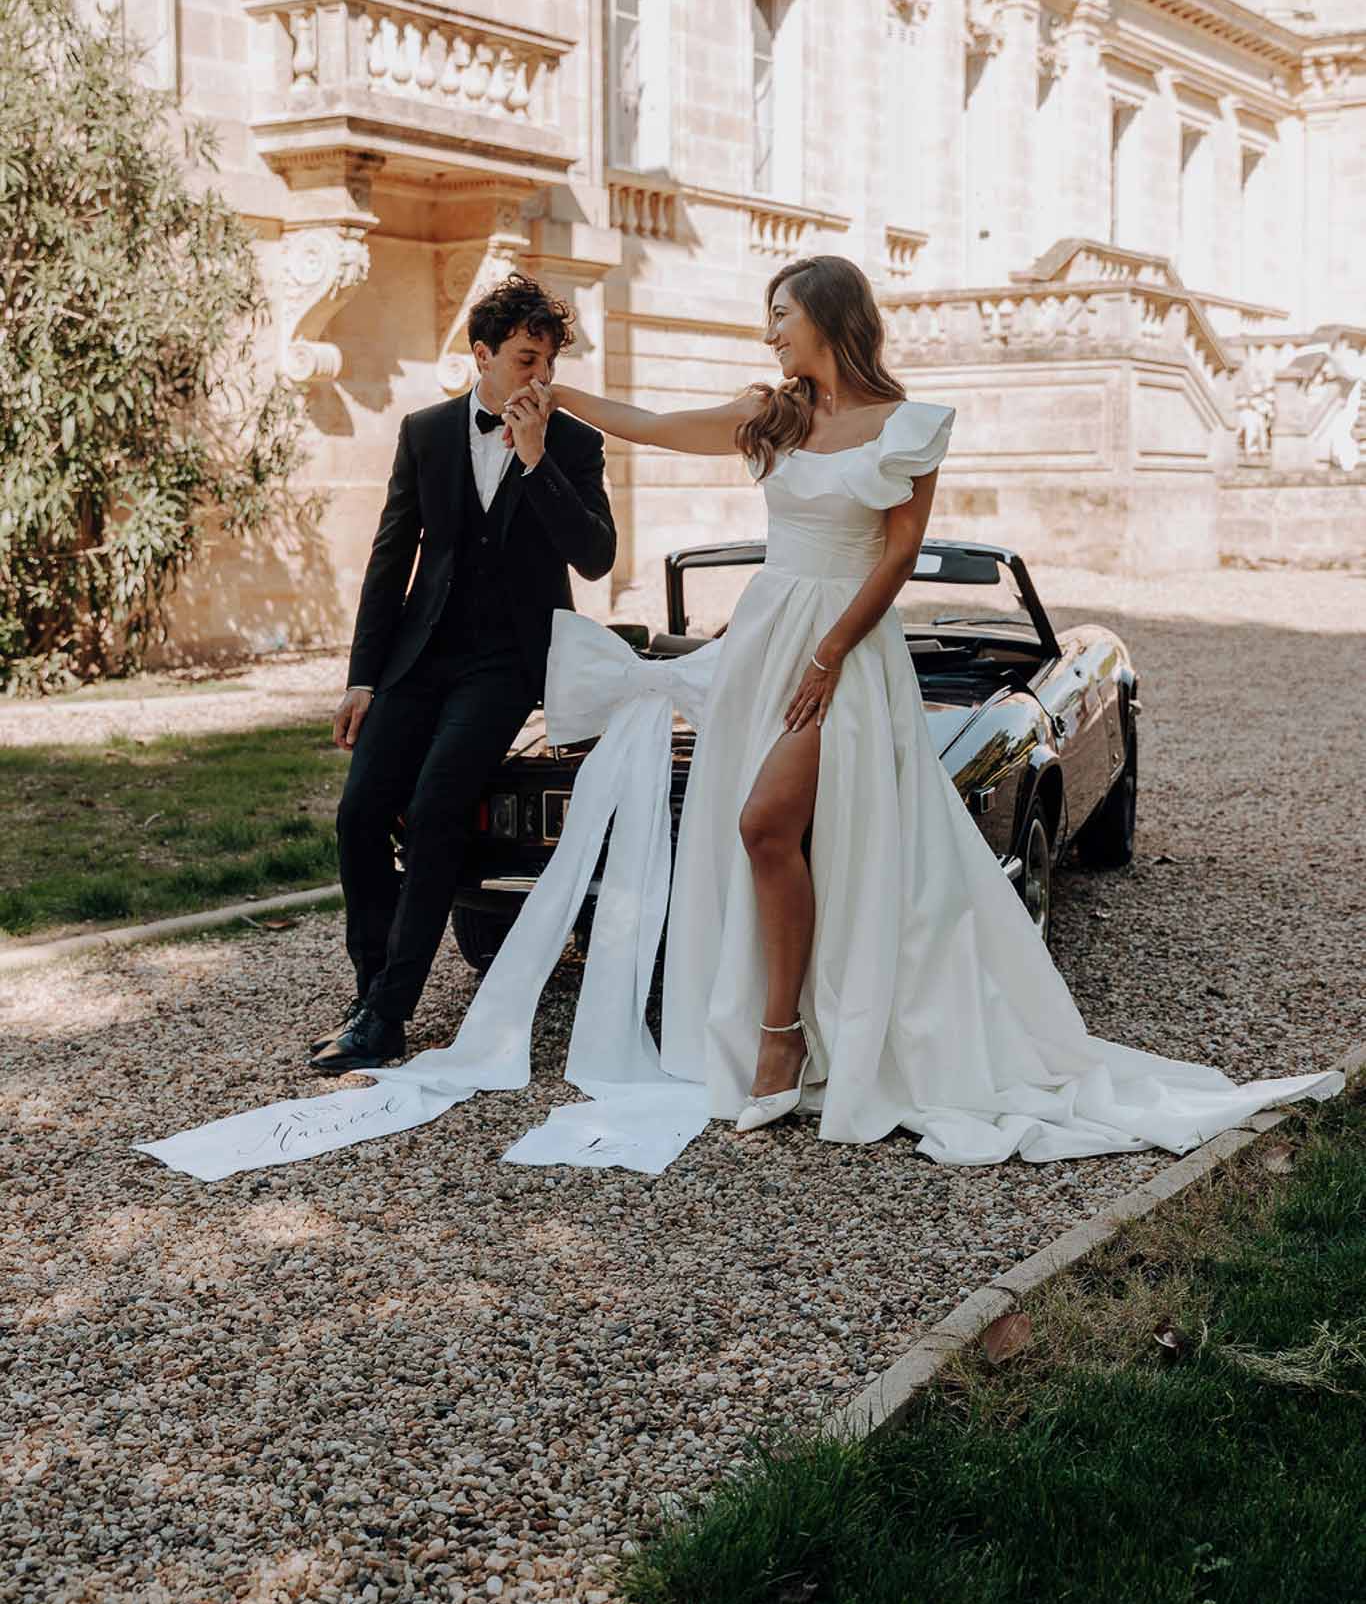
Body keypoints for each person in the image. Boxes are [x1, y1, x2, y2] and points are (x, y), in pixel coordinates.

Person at [489, 254, 1338, 1159]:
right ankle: (788, 1029)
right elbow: (653, 426)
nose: (770, 332)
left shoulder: (907, 426)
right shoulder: (767, 413)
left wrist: (829, 655)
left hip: (846, 652)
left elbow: (895, 561)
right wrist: (555, 390)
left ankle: (786, 1041)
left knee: (768, 825)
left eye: (782, 314)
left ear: (827, 316)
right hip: (767, 642)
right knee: (774, 835)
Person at [310, 273, 616, 1076]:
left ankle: (389, 1016)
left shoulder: (576, 444)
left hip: (507, 663)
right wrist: (363, 677)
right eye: (524, 359)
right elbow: (389, 561)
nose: (538, 379)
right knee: (360, 812)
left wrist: (539, 459)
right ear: (480, 355)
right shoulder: (427, 432)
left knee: (440, 803)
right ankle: (372, 990)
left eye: (547, 362)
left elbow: (595, 556)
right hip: (419, 656)